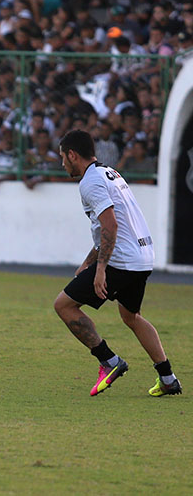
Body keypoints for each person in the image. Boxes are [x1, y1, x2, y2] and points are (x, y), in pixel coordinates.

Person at [52, 130, 181, 397]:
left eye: (63, 157)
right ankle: (168, 378)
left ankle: (109, 361)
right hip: (142, 257)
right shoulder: (109, 173)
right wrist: (88, 263)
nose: (62, 163)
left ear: (72, 155)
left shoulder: (90, 182)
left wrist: (100, 269)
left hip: (121, 262)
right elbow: (109, 227)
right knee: (131, 316)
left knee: (64, 306)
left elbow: (110, 225)